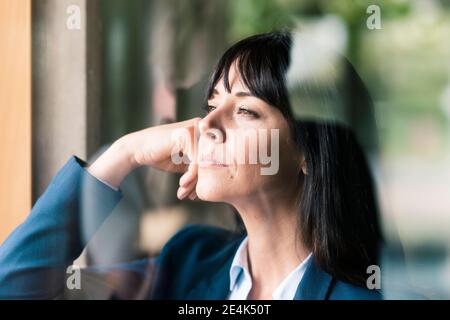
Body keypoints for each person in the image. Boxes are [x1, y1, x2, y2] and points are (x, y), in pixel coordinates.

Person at [0, 31, 382, 300]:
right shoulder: (187, 261)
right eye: (212, 106)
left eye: (246, 110)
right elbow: (12, 288)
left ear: (309, 152)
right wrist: (123, 153)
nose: (207, 127)